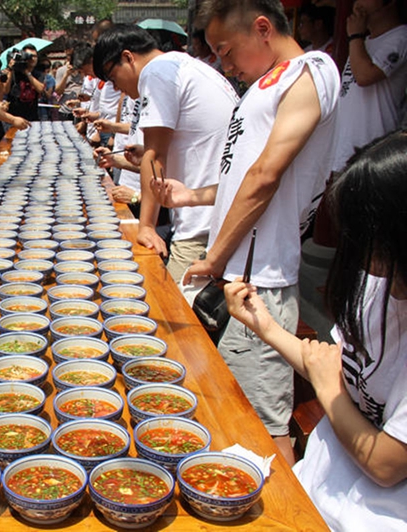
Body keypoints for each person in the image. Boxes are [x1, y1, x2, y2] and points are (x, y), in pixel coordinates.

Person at [156, 0, 340, 464]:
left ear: (262, 28)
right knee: (228, 408)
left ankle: (285, 503)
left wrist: (215, 256)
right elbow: (243, 177)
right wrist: (191, 196)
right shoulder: (265, 82)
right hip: (238, 275)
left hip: (259, 281)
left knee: (259, 423)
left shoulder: (311, 70)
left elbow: (265, 176)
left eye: (226, 50)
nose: (225, 64)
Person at [224, 129, 407, 530]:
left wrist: (328, 389)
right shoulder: (376, 283)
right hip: (312, 490)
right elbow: (329, 365)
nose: (353, 248)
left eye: (366, 236)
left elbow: (385, 464)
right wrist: (264, 325)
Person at [93, 23, 238, 285]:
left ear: (128, 57)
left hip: (200, 224)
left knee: (172, 301)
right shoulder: (183, 65)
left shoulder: (156, 72)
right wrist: (147, 155)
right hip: (217, 212)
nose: (119, 89)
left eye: (114, 78)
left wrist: (146, 226)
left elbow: (155, 153)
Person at [330, 0, 406, 178]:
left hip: (371, 154)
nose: (357, 3)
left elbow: (365, 76)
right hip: (344, 151)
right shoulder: (363, 43)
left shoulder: (400, 37)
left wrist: (355, 36)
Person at [2, 43, 45, 121]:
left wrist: (27, 72)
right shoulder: (14, 72)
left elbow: (41, 89)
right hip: (13, 118)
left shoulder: (38, 74)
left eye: (35, 56)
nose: (32, 59)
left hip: (32, 117)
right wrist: (10, 69)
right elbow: (5, 90)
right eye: (30, 56)